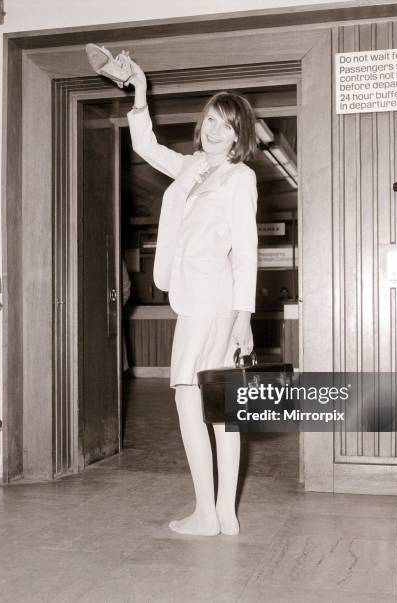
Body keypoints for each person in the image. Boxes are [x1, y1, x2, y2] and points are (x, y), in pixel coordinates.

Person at [126, 58, 258, 536]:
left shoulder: (238, 178)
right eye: (209, 121)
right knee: (216, 405)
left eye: (226, 125)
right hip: (195, 300)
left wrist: (243, 315)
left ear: (239, 134)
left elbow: (246, 252)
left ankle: (210, 511)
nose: (214, 130)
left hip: (215, 302)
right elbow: (145, 144)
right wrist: (141, 90)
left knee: (193, 398)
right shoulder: (193, 168)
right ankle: (222, 511)